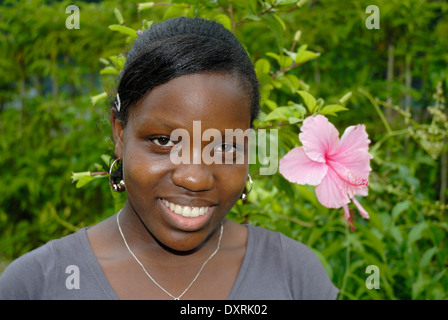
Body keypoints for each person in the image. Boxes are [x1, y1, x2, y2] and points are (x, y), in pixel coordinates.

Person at [0, 17, 338, 300]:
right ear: (120, 134)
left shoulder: (296, 278)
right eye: (163, 141)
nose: (194, 178)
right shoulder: (38, 284)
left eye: (225, 147)